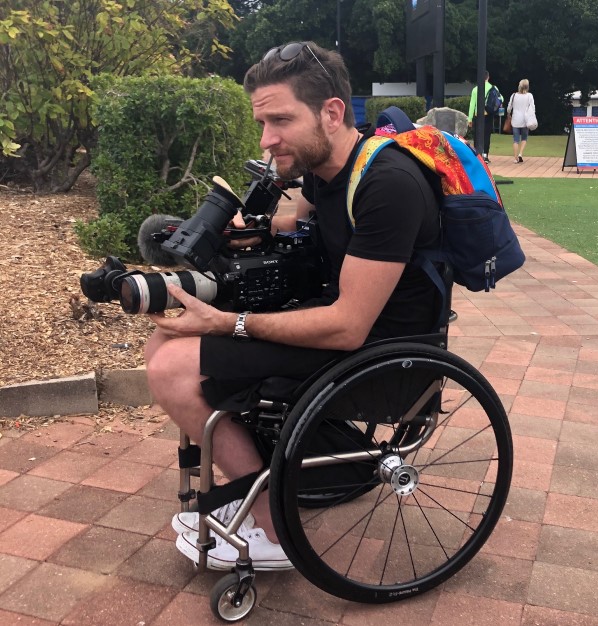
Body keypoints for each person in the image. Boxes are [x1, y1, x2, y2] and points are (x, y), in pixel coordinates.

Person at [143, 42, 440, 572]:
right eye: (262, 122)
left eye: (280, 119)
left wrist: (230, 323)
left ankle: (273, 532)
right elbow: (303, 226)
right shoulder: (325, 174)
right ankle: (245, 483)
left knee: (171, 367)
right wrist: (249, 232)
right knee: (165, 339)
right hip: (334, 324)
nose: (267, 138)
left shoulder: (388, 184)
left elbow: (349, 326)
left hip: (379, 352)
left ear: (332, 111)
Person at [467, 70, 501, 163]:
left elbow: (472, 105)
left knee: (477, 135)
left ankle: (477, 155)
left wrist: (469, 118)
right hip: (488, 115)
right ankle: (485, 155)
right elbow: (501, 98)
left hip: (478, 115)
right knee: (486, 135)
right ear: (488, 77)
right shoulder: (493, 88)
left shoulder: (475, 89)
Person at [506, 79, 535, 164]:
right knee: (524, 138)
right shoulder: (529, 96)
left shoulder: (514, 95)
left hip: (515, 120)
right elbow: (532, 107)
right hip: (525, 120)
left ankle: (515, 158)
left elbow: (509, 107)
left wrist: (508, 113)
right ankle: (520, 153)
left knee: (515, 140)